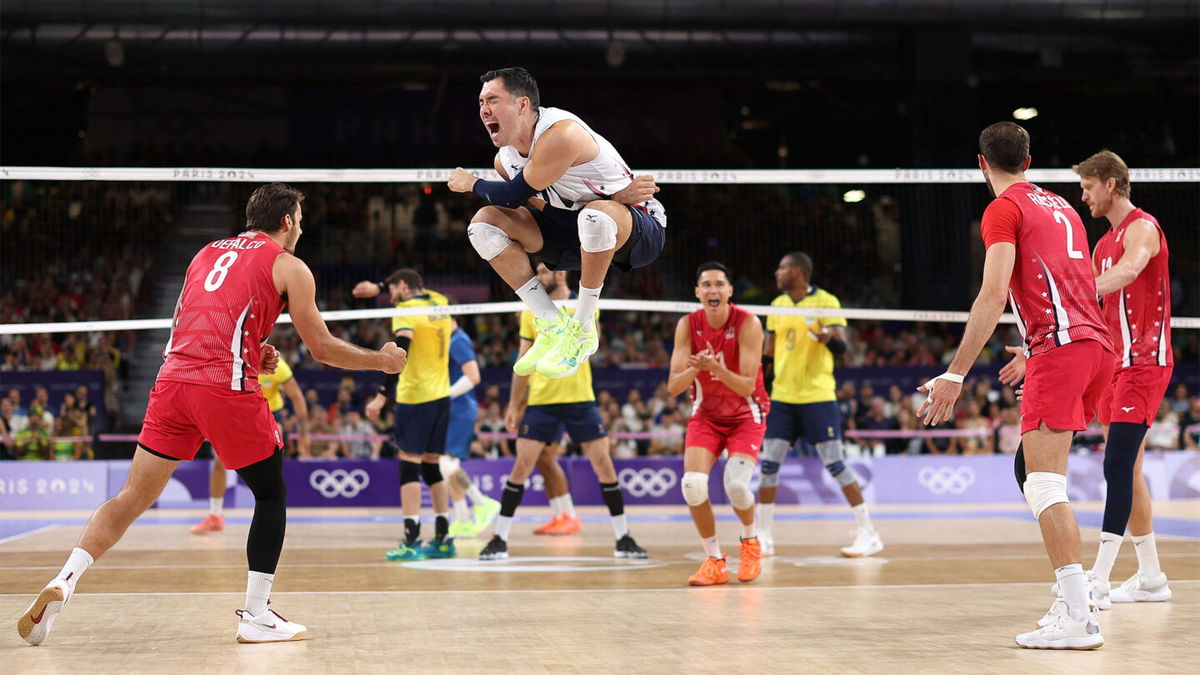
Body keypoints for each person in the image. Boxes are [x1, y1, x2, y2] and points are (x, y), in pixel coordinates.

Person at [17, 183, 407, 646]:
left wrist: (251, 349)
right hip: (223, 387)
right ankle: (257, 615)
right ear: (286, 221)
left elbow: (195, 320)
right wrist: (380, 361)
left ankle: (66, 578)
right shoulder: (289, 265)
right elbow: (321, 349)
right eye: (300, 219)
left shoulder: (204, 253)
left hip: (171, 383)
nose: (302, 227)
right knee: (270, 493)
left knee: (128, 499)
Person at [919, 124, 1113, 650]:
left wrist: (954, 375)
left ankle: (1080, 616)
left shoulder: (1003, 208)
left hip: (1064, 347)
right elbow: (1073, 283)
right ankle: (1067, 600)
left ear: (982, 163)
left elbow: (991, 295)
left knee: (1046, 486)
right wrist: (1032, 349)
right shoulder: (1062, 206)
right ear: (1030, 159)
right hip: (1094, 345)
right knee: (1029, 472)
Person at [1001, 149, 1174, 612]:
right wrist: (1036, 349)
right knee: (1129, 470)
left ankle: (1096, 578)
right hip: (1109, 360)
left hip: (1144, 360)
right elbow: (1083, 310)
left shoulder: (1142, 228)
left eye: (1088, 187)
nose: (1084, 196)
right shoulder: (1098, 245)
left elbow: (1130, 271)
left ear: (1110, 184)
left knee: (1116, 466)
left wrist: (1075, 289)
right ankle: (1152, 576)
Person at [447, 66, 666, 380]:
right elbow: (533, 204)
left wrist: (472, 184)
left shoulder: (561, 133)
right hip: (577, 228)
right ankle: (550, 323)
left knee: (596, 216)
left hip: (639, 229)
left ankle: (582, 329)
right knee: (483, 224)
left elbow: (510, 195)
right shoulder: (504, 159)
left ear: (523, 105)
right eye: (481, 102)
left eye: (493, 100)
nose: (484, 109)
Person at [482, 263, 647, 560]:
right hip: (542, 400)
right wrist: (513, 404)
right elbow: (522, 361)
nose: (542, 277)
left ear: (562, 273)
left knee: (604, 465)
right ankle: (499, 539)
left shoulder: (585, 306)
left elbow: (591, 345)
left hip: (580, 398)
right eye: (539, 272)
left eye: (547, 271)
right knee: (522, 466)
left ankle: (624, 537)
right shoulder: (529, 312)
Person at [757, 252, 882, 557]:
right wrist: (757, 385)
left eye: (782, 268)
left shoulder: (827, 301)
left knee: (835, 464)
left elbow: (842, 347)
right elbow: (769, 353)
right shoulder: (777, 305)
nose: (777, 272)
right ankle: (762, 535)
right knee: (769, 464)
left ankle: (869, 533)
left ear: (797, 272)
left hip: (818, 396)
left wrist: (827, 338)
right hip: (783, 397)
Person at [667, 262, 767, 586]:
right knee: (692, 485)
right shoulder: (687, 325)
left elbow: (747, 387)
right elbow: (673, 387)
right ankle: (714, 560)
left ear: (729, 291)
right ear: (697, 292)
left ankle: (750, 541)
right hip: (706, 415)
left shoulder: (748, 323)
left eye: (719, 284)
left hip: (745, 415)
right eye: (706, 285)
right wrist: (697, 369)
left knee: (736, 487)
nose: (713, 290)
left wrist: (715, 367)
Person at [363, 269, 456, 561]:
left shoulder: (405, 310)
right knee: (432, 467)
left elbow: (400, 352)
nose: (391, 297)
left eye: (393, 290)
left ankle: (411, 540)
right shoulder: (439, 301)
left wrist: (381, 395)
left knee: (409, 467)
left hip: (416, 397)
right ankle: (443, 539)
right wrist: (379, 285)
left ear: (403, 286)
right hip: (442, 395)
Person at [191, 357, 310, 534]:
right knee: (218, 461)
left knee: (272, 465)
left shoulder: (276, 364)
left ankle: (277, 513)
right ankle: (215, 516)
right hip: (238, 415)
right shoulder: (231, 362)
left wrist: (304, 435)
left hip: (269, 415)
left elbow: (297, 397)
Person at [440, 319, 501, 537]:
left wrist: (446, 395)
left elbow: (474, 377)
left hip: (460, 409)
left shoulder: (459, 340)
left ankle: (482, 502)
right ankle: (464, 520)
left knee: (445, 464)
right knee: (449, 467)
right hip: (453, 409)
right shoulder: (449, 339)